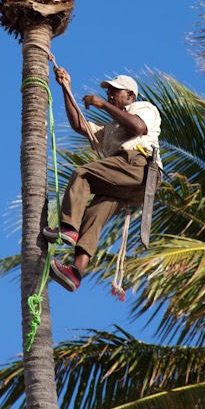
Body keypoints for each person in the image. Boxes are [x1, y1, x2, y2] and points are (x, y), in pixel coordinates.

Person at [43, 66, 161, 293]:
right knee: (93, 217)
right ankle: (75, 273)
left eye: (115, 91)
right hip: (127, 182)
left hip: (139, 166)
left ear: (130, 96)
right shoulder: (110, 129)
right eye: (109, 92)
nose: (110, 95)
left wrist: (102, 104)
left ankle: (68, 229)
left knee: (83, 174)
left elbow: (138, 127)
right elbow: (80, 125)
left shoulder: (143, 108)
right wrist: (65, 87)